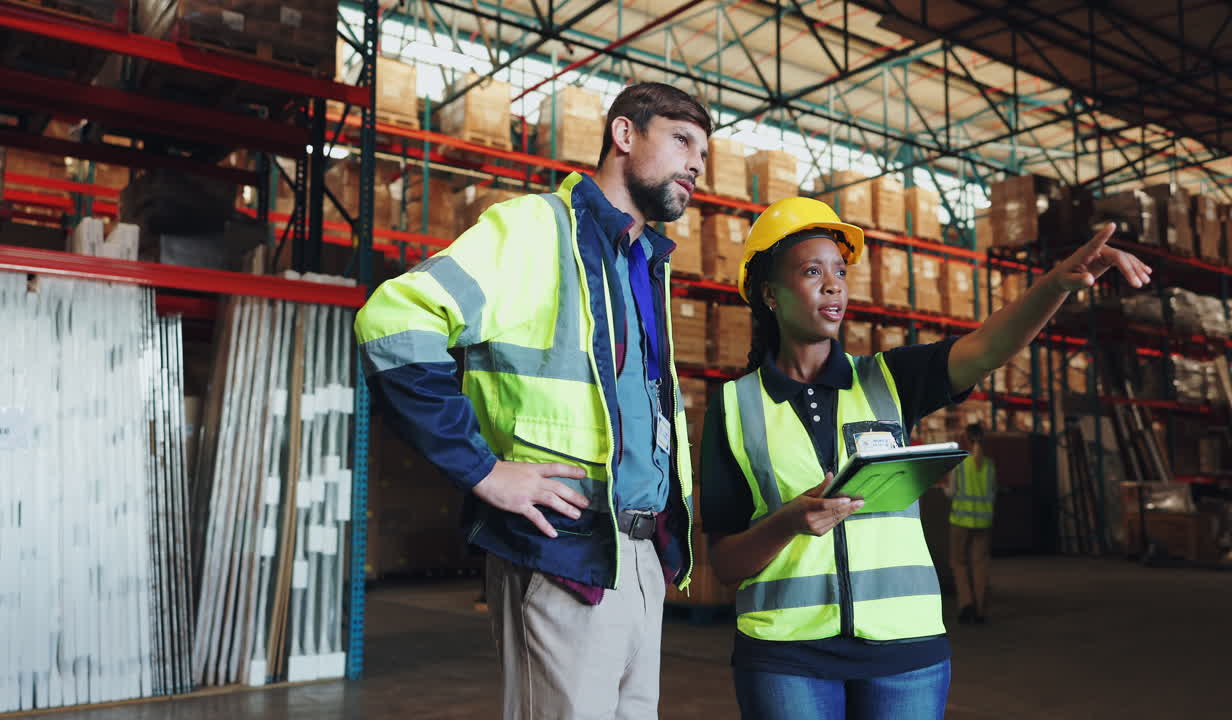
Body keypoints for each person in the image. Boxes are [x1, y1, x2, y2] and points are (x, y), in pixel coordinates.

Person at [699, 196, 1151, 719]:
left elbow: (988, 347)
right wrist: (789, 521)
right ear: (769, 294)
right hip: (786, 655)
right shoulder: (734, 407)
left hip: (905, 650)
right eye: (811, 271)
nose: (834, 285)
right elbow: (726, 563)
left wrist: (1055, 285)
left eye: (840, 271)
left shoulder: (889, 379)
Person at [354, 82, 711, 719]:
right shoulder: (535, 229)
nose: (696, 165)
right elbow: (393, 321)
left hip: (640, 557)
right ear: (624, 135)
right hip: (565, 557)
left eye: (703, 154)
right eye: (682, 141)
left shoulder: (644, 261)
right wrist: (482, 470)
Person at [947, 423, 997, 625]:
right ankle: (981, 610)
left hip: (960, 521)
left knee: (958, 562)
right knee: (980, 564)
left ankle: (966, 604)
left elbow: (951, 492)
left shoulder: (959, 464)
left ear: (965, 440)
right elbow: (993, 493)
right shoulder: (990, 465)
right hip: (984, 521)